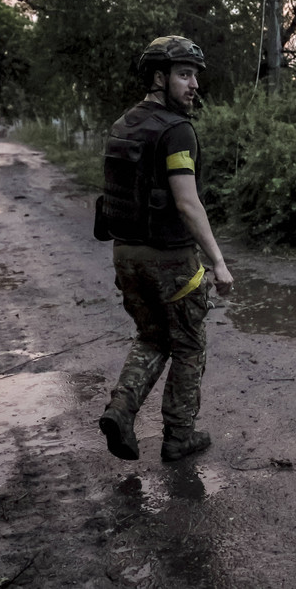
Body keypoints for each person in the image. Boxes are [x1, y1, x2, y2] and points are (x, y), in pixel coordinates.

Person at [95, 35, 234, 462]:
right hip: (170, 260)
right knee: (189, 344)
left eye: (195, 76)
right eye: (184, 74)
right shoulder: (176, 132)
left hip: (126, 257)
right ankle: (179, 436)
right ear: (159, 77)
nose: (194, 85)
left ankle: (121, 409)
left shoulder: (124, 124)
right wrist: (219, 262)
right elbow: (187, 203)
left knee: (153, 337)